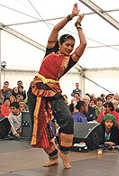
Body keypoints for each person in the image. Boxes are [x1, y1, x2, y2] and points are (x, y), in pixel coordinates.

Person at [27, 4, 87, 169]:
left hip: (53, 91)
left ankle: (64, 153)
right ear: (60, 44)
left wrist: (79, 26)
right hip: (35, 90)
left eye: (71, 47)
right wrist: (71, 16)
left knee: (67, 120)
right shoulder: (50, 51)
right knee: (38, 126)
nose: (69, 48)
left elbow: (83, 45)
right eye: (67, 45)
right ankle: (52, 155)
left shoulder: (70, 60)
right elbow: (55, 29)